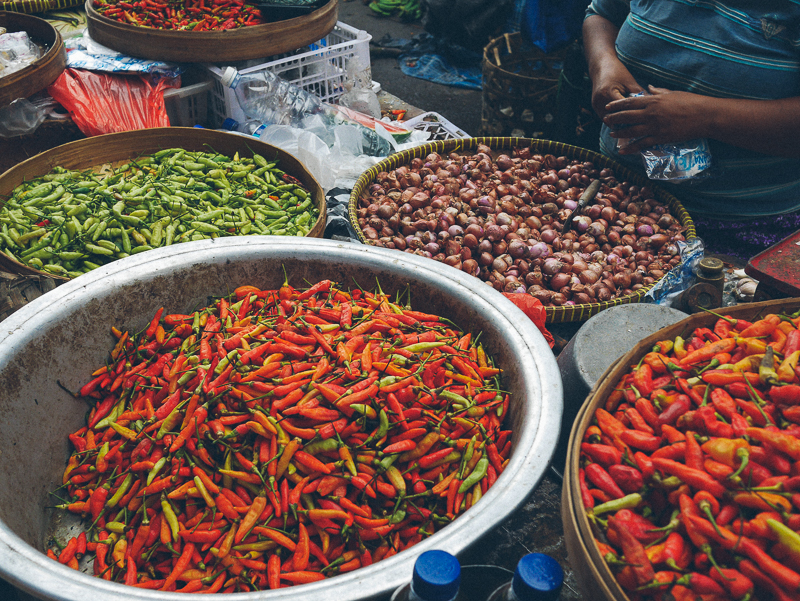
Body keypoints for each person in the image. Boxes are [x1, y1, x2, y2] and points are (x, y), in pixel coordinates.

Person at [582, 1, 800, 262]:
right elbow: (601, 15)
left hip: (740, 232)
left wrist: (706, 117)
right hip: (612, 204)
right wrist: (603, 65)